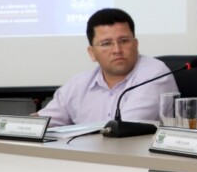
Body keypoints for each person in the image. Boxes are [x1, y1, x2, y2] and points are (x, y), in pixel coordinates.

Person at [37, 8, 179, 126]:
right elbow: (40, 124)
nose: (117, 50)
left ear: (136, 45)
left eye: (124, 41)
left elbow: (124, 129)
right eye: (106, 44)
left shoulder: (154, 74)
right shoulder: (78, 84)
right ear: (92, 53)